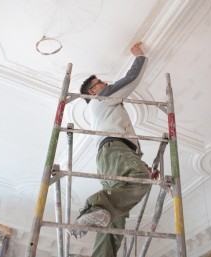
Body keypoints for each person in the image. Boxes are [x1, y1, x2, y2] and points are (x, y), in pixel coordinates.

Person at [69, 42, 152, 257]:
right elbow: (130, 80)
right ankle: (94, 207)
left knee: (114, 220)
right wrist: (139, 57)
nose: (106, 84)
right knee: (140, 178)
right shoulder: (101, 99)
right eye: (100, 83)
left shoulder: (103, 110)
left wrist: (141, 164)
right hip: (114, 149)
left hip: (109, 155)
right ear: (93, 91)